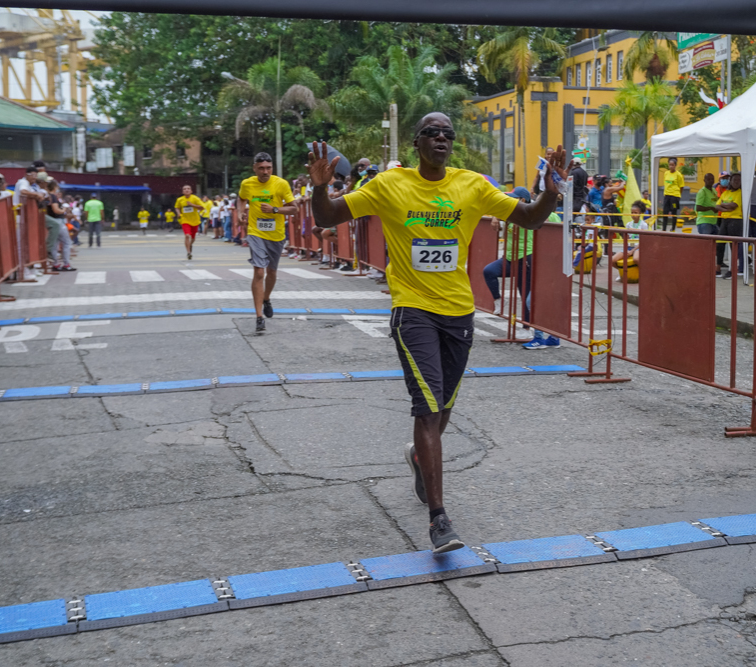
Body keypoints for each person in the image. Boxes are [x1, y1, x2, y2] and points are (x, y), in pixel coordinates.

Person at [306, 113, 567, 553]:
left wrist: (550, 190)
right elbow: (330, 214)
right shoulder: (391, 185)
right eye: (433, 133)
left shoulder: (472, 186)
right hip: (412, 310)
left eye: (448, 134)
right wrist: (319, 186)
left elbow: (528, 219)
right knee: (426, 408)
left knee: (443, 404)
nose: (441, 139)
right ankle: (439, 519)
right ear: (417, 143)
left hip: (458, 311)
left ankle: (416, 455)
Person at [237, 152, 298, 333]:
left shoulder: (281, 184)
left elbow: (295, 208)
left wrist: (275, 209)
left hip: (276, 234)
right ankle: (259, 317)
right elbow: (241, 198)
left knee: (271, 272)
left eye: (268, 168)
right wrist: (241, 212)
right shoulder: (247, 184)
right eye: (261, 168)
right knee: (259, 272)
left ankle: (266, 299)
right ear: (255, 168)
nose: (265, 172)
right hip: (255, 232)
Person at [483, 186, 535, 326]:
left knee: (524, 293)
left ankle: (527, 327)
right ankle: (498, 301)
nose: (510, 201)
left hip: (525, 257)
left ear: (523, 200)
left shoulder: (529, 212)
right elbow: (498, 210)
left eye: (514, 198)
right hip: (509, 258)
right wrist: (495, 217)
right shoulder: (511, 213)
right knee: (489, 271)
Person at [716, 173, 743, 278]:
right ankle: (718, 268)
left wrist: (724, 205)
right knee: (720, 243)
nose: (736, 182)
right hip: (725, 220)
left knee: (733, 246)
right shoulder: (725, 193)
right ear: (730, 181)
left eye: (738, 180)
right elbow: (717, 205)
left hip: (735, 220)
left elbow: (734, 205)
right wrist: (726, 207)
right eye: (734, 180)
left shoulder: (740, 193)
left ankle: (732, 270)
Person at [610, 200, 649, 273]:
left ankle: (644, 273)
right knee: (612, 260)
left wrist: (632, 251)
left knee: (636, 259)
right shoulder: (628, 224)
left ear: (640, 213)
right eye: (632, 212)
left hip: (638, 247)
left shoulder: (644, 225)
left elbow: (643, 241)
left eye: (635, 213)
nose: (633, 214)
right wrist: (626, 249)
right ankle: (622, 272)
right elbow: (626, 239)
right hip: (628, 247)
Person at [175, 185, 205, 259]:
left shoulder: (195, 198)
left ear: (191, 191)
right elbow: (177, 207)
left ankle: (190, 244)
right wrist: (178, 213)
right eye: (184, 189)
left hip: (195, 221)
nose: (186, 190)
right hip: (185, 220)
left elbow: (202, 207)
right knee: (187, 235)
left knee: (193, 238)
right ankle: (188, 252)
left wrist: (192, 205)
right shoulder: (180, 199)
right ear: (182, 191)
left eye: (188, 189)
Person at [661, 157, 684, 232]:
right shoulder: (666, 173)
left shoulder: (678, 175)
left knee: (674, 212)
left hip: (674, 196)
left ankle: (673, 228)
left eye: (672, 165)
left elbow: (681, 186)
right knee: (665, 212)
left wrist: (678, 195)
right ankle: (664, 228)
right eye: (670, 165)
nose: (671, 166)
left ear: (675, 165)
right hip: (667, 195)